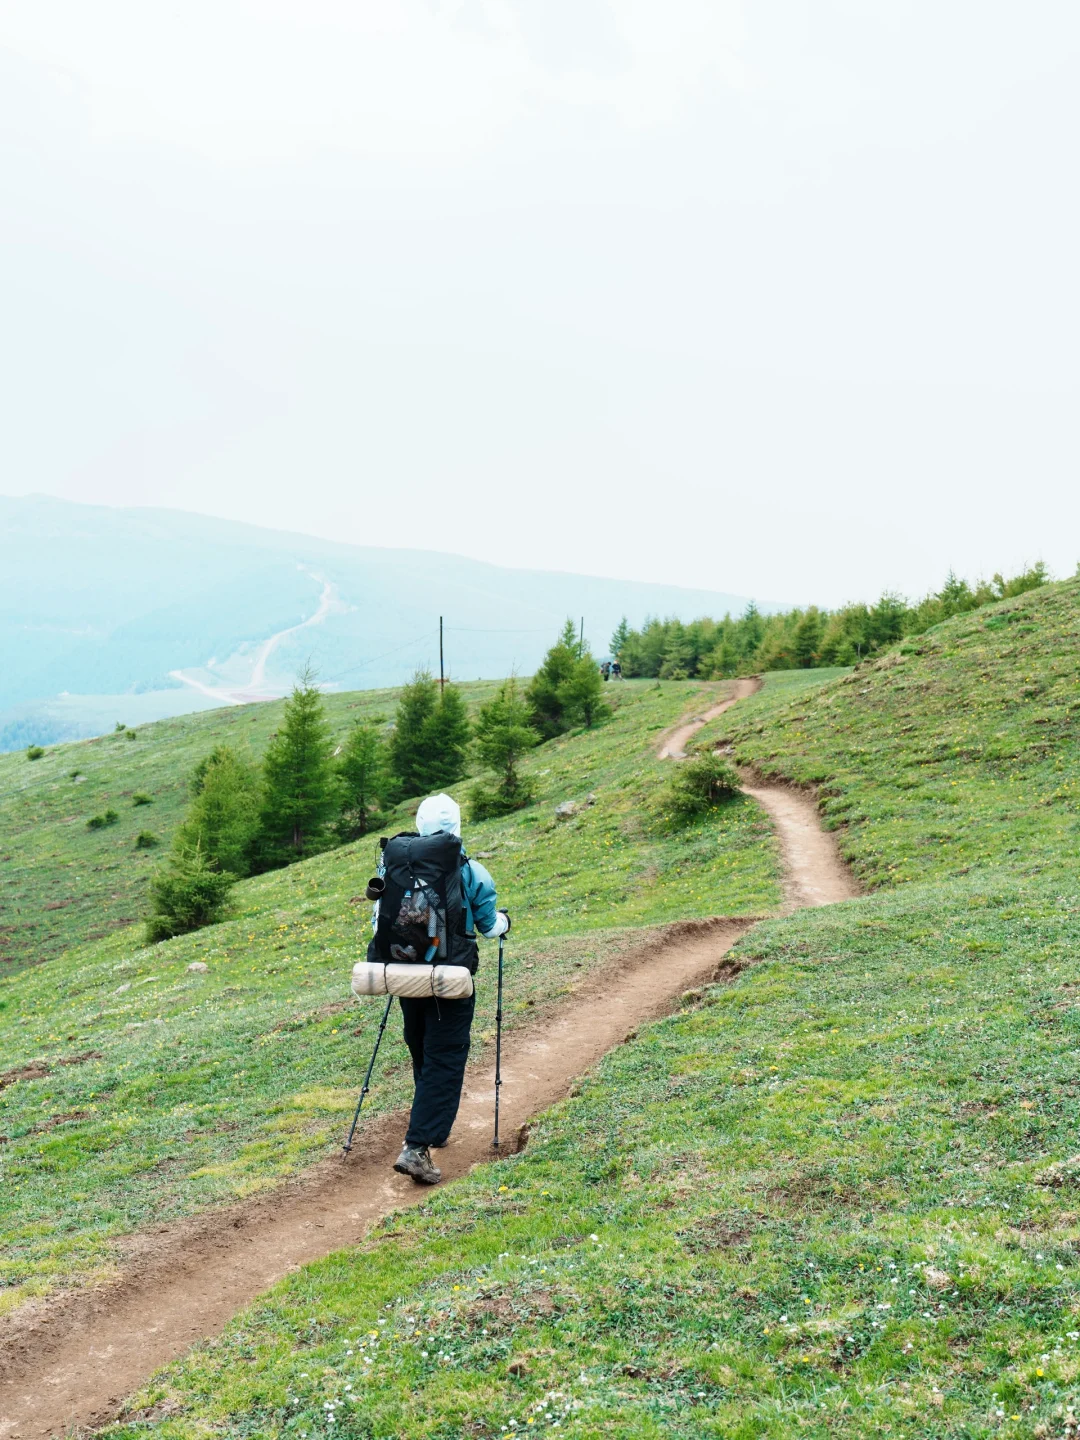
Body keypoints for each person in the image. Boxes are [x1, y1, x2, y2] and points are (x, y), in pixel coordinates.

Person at [369, 793, 509, 1186]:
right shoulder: (472, 872)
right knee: (445, 1059)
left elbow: (378, 921)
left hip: (405, 974)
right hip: (451, 979)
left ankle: (432, 1127)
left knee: (422, 1047)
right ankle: (417, 1146)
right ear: (457, 829)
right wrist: (506, 923)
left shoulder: (394, 867)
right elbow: (488, 925)